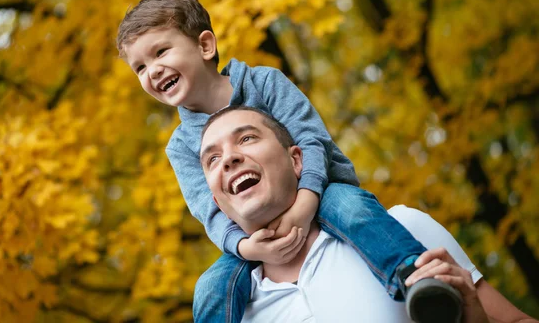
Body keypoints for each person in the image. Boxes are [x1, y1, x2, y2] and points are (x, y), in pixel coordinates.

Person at [117, 0, 457, 322]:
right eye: (140, 68)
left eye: (161, 52)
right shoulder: (180, 146)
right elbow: (208, 209)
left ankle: (417, 280)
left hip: (323, 193)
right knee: (210, 286)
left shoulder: (264, 82)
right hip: (253, 236)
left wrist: (305, 204)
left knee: (355, 211)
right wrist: (248, 248)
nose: (153, 71)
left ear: (205, 45)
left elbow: (311, 141)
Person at [199, 105, 538, 323]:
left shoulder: (401, 232)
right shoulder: (228, 307)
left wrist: (474, 319)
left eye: (246, 138)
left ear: (297, 160)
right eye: (212, 159)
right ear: (217, 201)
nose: (229, 158)